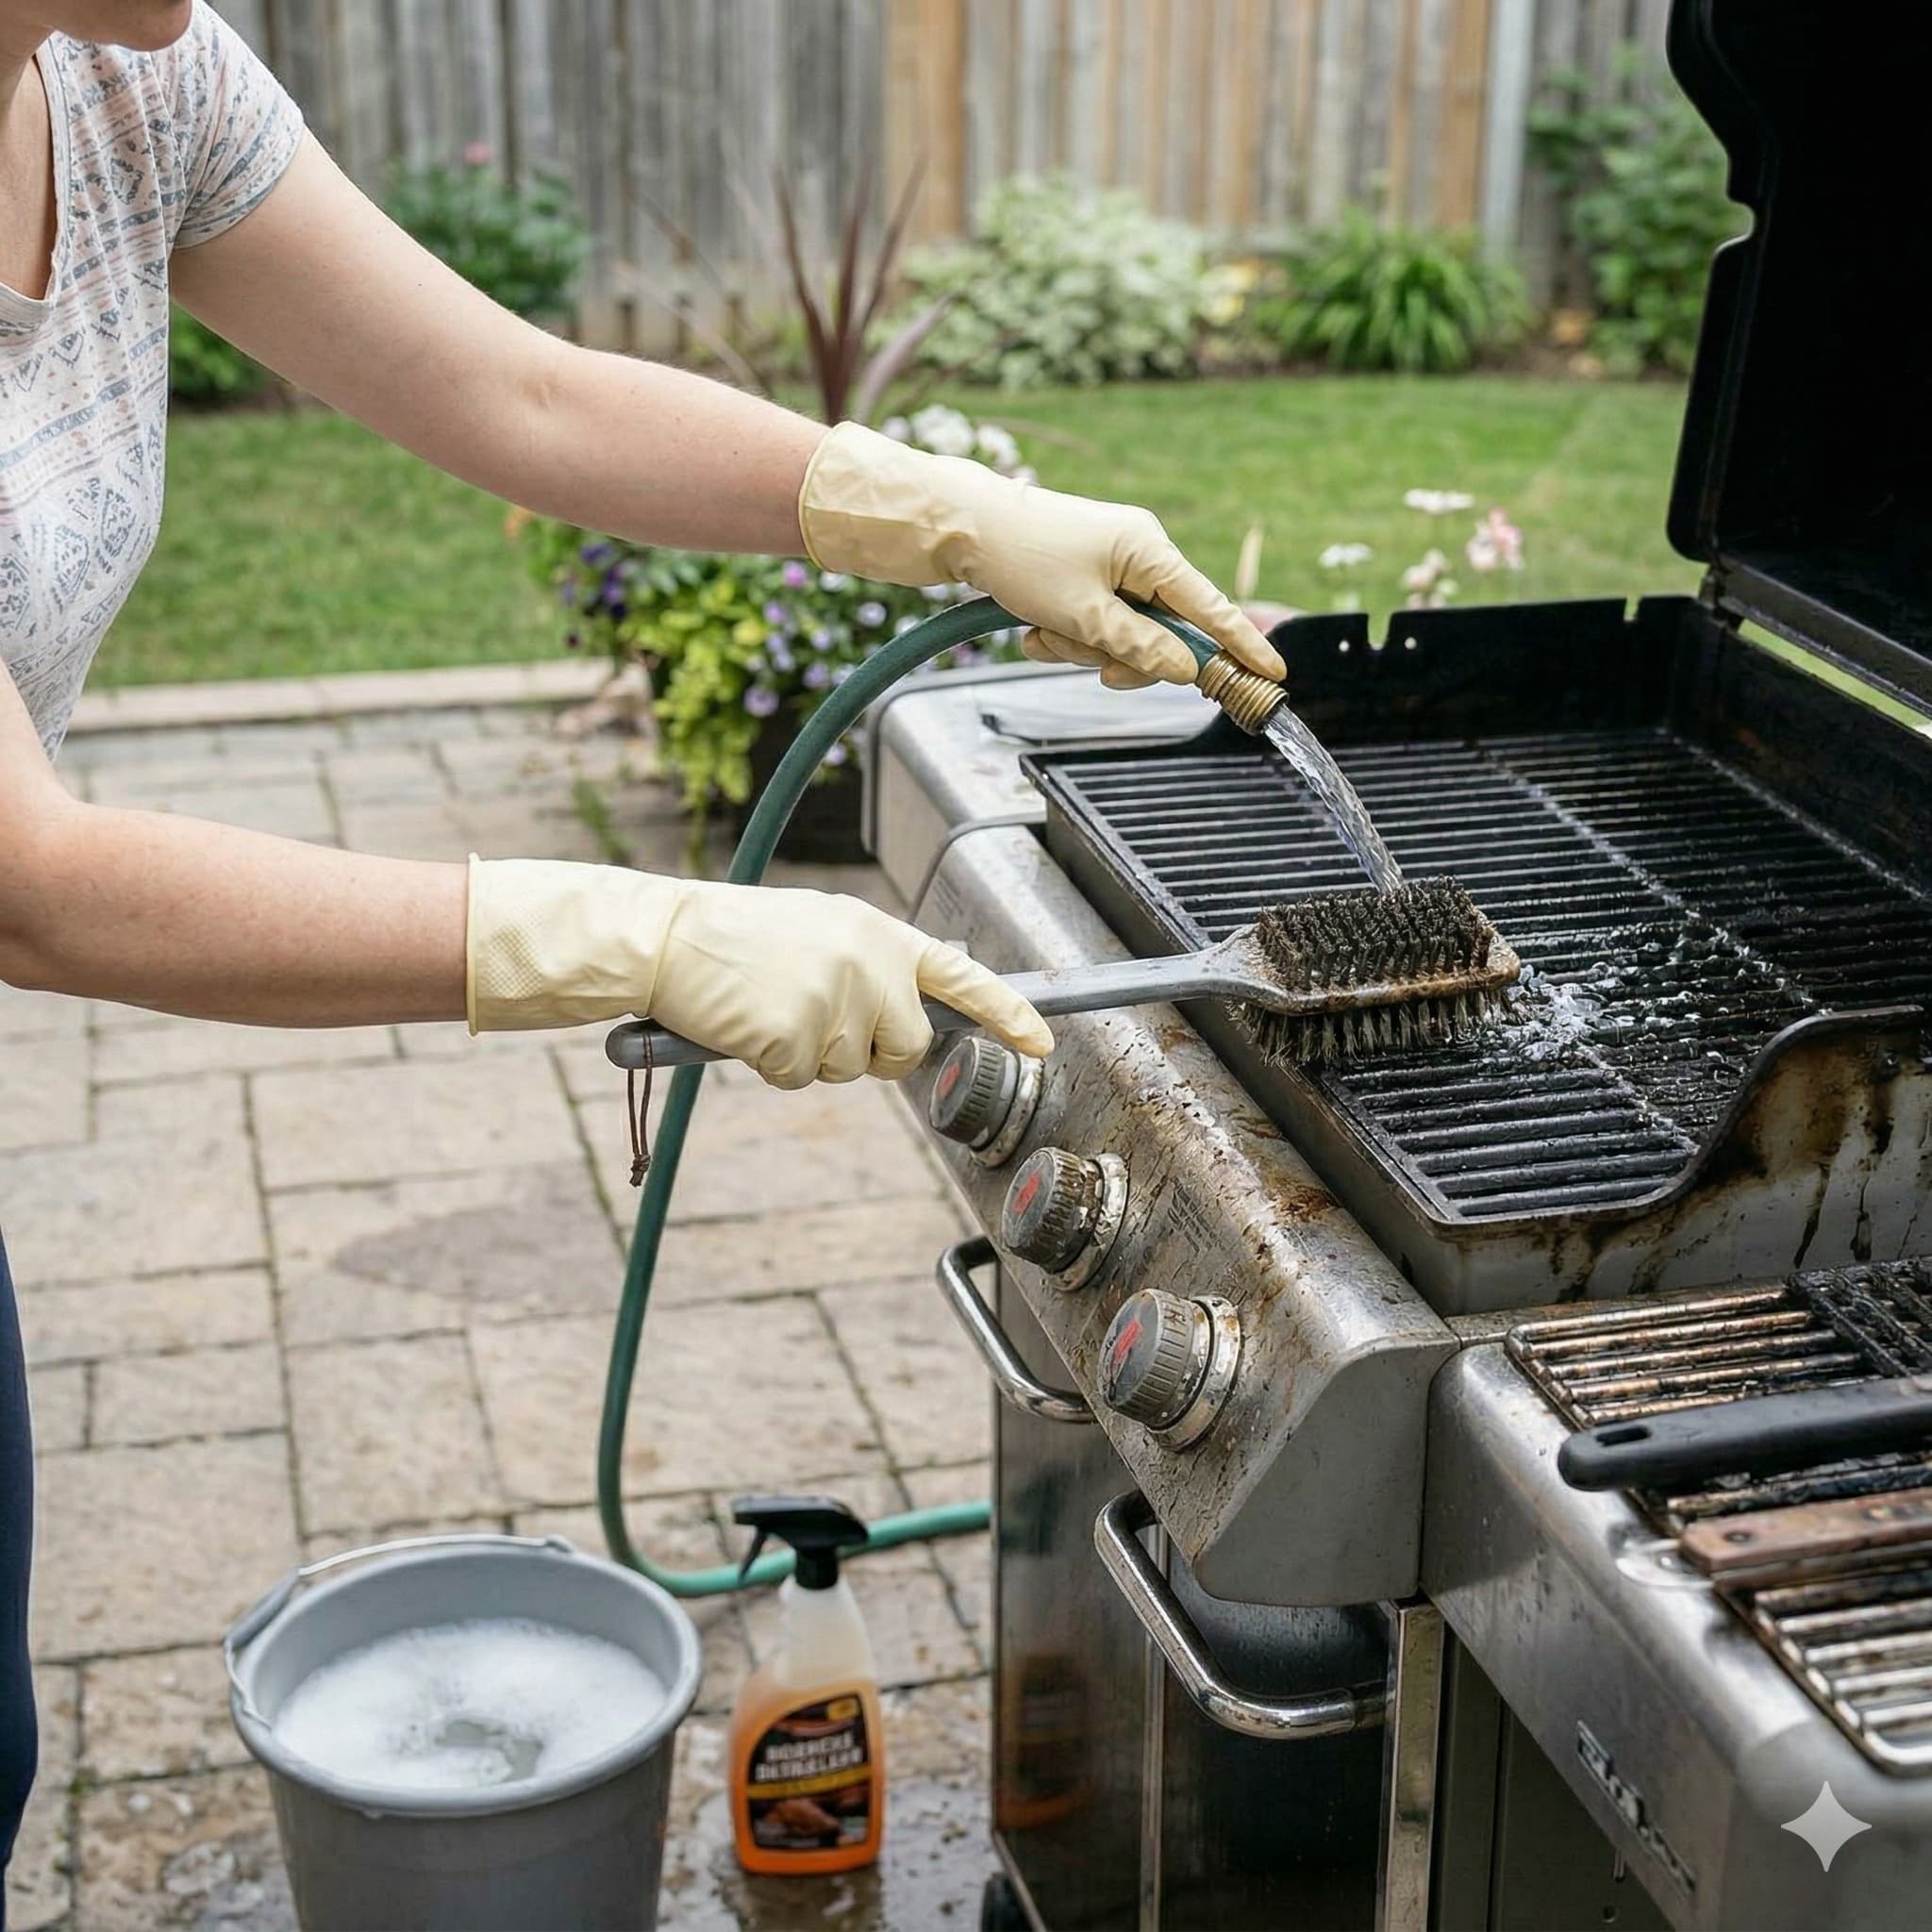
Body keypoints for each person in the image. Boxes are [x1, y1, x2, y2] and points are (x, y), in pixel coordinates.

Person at [0, 0, 1285, 1897]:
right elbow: (36, 880)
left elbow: (515, 395)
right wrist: (639, 933)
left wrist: (951, 514)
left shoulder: (126, 80)